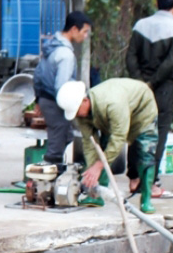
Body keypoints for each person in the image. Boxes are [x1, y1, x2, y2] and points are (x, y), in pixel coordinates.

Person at [56, 78, 160, 213]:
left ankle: (146, 199)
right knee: (103, 149)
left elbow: (118, 137)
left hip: (142, 111)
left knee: (146, 154)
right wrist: (92, 172)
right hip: (112, 117)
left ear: (85, 100)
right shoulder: (81, 113)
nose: (76, 115)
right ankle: (97, 194)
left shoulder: (113, 103)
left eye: (77, 110)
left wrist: (98, 166)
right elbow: (89, 142)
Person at [125, 0, 173, 199]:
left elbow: (130, 57)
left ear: (156, 2)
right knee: (158, 133)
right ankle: (149, 181)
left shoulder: (140, 25)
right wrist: (152, 83)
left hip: (138, 87)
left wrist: (140, 81)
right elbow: (170, 63)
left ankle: (134, 177)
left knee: (136, 127)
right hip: (162, 89)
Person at [32, 11, 91, 163]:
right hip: (55, 102)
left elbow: (37, 74)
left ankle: (51, 168)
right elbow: (62, 88)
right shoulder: (66, 55)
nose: (85, 36)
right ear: (74, 29)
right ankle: (47, 172)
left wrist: (38, 99)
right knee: (57, 146)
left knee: (67, 135)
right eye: (84, 32)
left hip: (45, 98)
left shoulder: (51, 46)